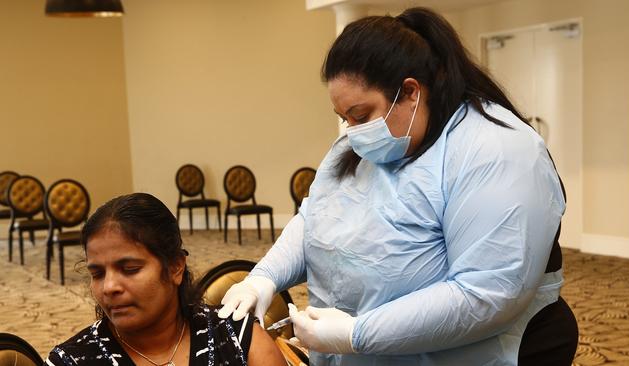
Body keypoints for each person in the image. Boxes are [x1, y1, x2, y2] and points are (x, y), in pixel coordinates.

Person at [218, 7, 578, 366]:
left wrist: (356, 333)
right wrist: (263, 279)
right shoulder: (360, 145)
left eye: (360, 115)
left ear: (410, 92)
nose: (352, 131)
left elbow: (484, 294)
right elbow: (315, 218)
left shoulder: (496, 150)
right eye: (343, 118)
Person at [45, 193, 285, 366]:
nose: (109, 287)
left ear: (175, 267)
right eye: (97, 274)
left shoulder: (236, 339)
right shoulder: (72, 360)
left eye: (129, 269)